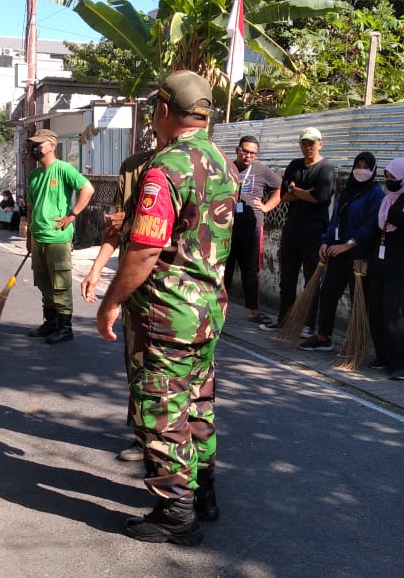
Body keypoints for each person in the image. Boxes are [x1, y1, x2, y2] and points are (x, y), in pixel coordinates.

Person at [96, 70, 237, 546]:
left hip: (165, 314)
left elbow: (143, 252)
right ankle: (205, 494)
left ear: (161, 111)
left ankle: (176, 511)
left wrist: (110, 303)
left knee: (160, 408)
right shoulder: (221, 162)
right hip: (206, 310)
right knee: (198, 402)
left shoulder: (165, 168)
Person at [82, 130, 166, 462]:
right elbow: (117, 229)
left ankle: (176, 454)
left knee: (179, 378)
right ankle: (143, 436)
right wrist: (96, 270)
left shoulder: (197, 164)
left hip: (179, 290)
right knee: (138, 365)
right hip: (137, 287)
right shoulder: (134, 168)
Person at [299, 152, 385, 351]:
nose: (361, 170)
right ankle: (323, 337)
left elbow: (371, 225)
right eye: (358, 165)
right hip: (337, 252)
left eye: (366, 166)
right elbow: (335, 218)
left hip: (359, 255)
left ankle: (355, 343)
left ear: (373, 170)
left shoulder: (375, 194)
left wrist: (350, 244)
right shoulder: (347, 190)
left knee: (359, 301)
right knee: (328, 293)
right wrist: (326, 241)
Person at [25, 128, 95, 344]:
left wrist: (72, 215)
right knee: (44, 282)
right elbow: (30, 206)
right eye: (33, 145)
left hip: (57, 238)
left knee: (60, 283)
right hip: (38, 237)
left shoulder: (63, 169)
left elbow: (88, 189)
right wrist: (29, 235)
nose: (34, 148)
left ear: (52, 146)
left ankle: (66, 327)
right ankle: (51, 322)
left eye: (39, 144)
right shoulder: (35, 175)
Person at [264, 126, 335, 335]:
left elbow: (319, 198)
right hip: (292, 228)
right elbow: (284, 196)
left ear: (320, 144)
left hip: (314, 231)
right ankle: (284, 319)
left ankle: (307, 324)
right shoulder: (295, 165)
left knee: (311, 279)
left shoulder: (326, 168)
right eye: (304, 143)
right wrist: (302, 192)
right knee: (287, 277)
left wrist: (296, 190)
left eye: (311, 143)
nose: (307, 147)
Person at [363, 157, 404, 381]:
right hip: (380, 261)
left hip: (401, 264)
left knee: (392, 312)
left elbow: (396, 218)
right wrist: (365, 258)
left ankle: (400, 364)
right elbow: (378, 228)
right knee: (376, 309)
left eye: (394, 178)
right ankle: (383, 356)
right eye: (387, 177)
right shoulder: (388, 199)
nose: (389, 181)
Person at [224, 136, 282, 325]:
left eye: (252, 153)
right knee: (224, 269)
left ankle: (254, 312)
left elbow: (280, 188)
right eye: (245, 151)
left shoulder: (262, 170)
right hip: (227, 227)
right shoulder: (227, 167)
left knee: (251, 270)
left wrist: (267, 207)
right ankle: (219, 309)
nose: (248, 155)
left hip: (252, 227)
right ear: (237, 149)